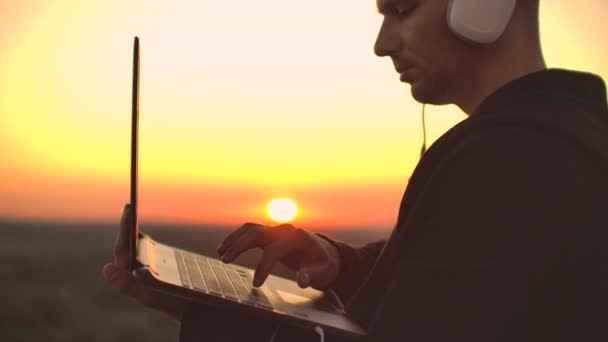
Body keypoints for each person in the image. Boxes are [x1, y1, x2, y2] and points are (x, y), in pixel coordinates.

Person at [103, 0, 608, 341]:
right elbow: (458, 291)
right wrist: (340, 264)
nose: (382, 43)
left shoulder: (511, 159)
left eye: (403, 10)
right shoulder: (562, 137)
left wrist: (195, 312)